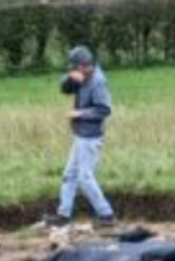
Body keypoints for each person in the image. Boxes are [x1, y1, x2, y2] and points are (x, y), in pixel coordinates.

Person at [48, 45, 114, 229]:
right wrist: (71, 79)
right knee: (69, 175)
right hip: (80, 135)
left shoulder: (98, 82)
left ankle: (106, 214)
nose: (73, 70)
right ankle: (63, 214)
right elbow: (64, 89)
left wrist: (80, 114)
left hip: (91, 137)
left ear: (86, 65)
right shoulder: (80, 76)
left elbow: (105, 109)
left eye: (75, 67)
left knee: (85, 177)